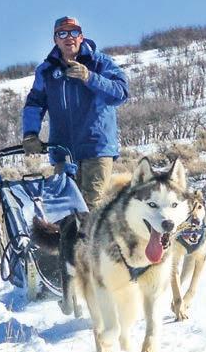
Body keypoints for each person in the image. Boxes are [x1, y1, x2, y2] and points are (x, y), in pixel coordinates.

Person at [22, 16, 129, 210]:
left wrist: (90, 77)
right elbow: (34, 104)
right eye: (62, 33)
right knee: (65, 211)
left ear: (81, 37)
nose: (68, 37)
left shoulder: (100, 62)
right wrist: (30, 134)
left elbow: (120, 93)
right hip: (63, 152)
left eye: (73, 32)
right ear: (55, 39)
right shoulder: (46, 71)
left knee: (92, 208)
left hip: (96, 149)